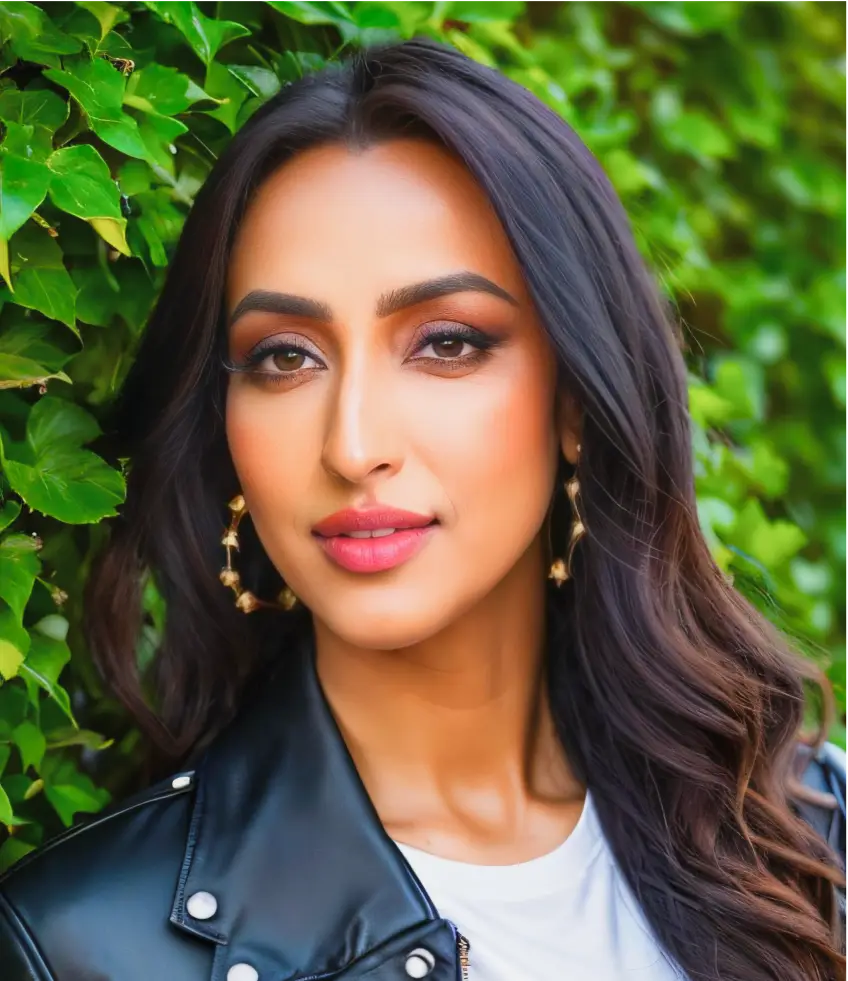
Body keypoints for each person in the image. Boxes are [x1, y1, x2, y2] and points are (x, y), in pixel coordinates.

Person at [0, 36, 845, 981]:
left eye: (446, 343)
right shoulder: (86, 942)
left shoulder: (809, 832)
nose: (354, 444)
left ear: (574, 399)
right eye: (285, 356)